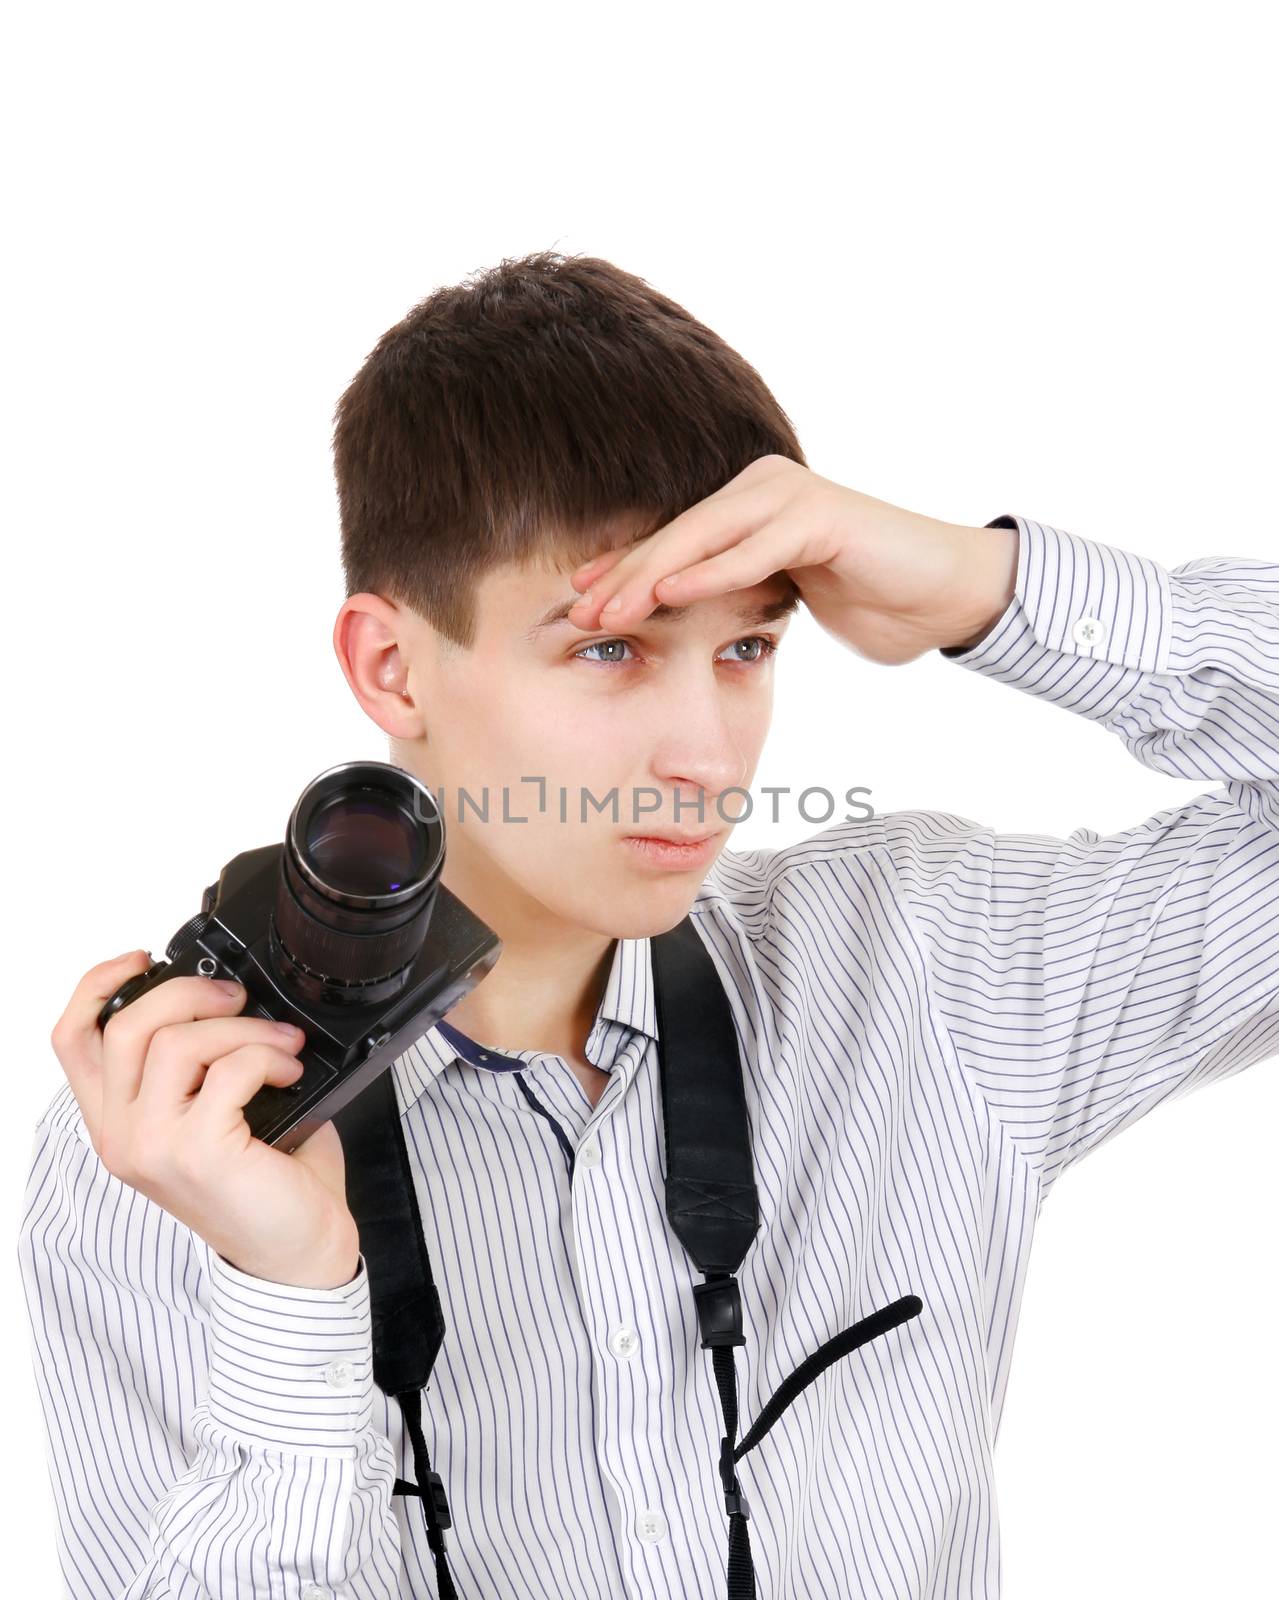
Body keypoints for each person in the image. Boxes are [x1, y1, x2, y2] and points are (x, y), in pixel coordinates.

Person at [19, 250, 1279, 1600]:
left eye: (747, 648)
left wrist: (989, 588)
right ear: (392, 667)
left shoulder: (924, 967)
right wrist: (289, 1289)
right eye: (611, 649)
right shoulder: (163, 1152)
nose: (705, 752)